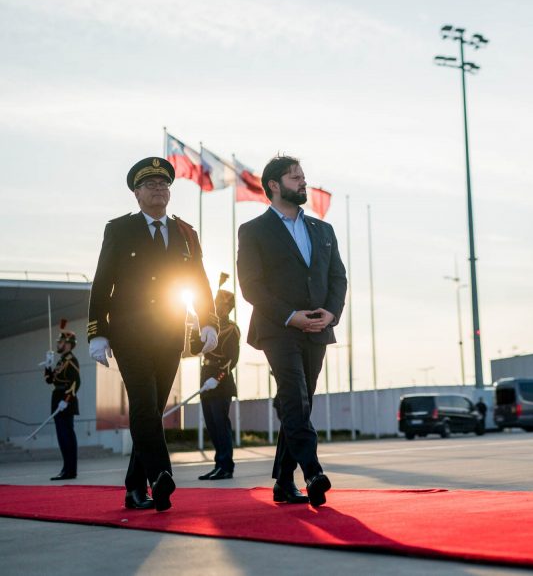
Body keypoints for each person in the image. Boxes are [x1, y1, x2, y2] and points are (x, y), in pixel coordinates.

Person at [88, 157, 218, 510]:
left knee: (151, 411)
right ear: (136, 193)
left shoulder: (185, 233)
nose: (159, 189)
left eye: (164, 184)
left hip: (170, 332)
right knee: (144, 406)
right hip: (130, 334)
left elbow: (199, 283)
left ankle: (134, 489)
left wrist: (208, 320)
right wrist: (96, 332)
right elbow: (102, 284)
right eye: (151, 185)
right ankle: (161, 474)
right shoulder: (119, 230)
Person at [237, 155, 347, 507]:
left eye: (303, 176)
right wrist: (290, 316)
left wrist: (330, 313)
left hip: (318, 327)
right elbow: (251, 286)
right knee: (294, 395)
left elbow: (337, 278)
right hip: (277, 328)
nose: (303, 182)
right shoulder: (253, 231)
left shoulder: (323, 230)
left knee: (299, 402)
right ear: (274, 185)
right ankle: (313, 471)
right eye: (295, 177)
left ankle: (284, 483)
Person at [197, 287, 241, 481]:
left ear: (228, 308)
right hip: (206, 379)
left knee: (221, 424)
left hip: (219, 382)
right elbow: (195, 348)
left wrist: (218, 378)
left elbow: (232, 359)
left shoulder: (232, 329)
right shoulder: (207, 326)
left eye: (221, 305)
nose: (217, 308)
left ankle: (226, 465)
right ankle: (219, 465)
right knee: (212, 426)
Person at [43, 323, 81, 480]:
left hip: (66, 401)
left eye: (60, 342)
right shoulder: (60, 361)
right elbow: (50, 380)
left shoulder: (72, 360)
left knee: (67, 436)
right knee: (62, 436)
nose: (58, 344)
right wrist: (48, 365)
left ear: (68, 344)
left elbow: (75, 382)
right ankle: (67, 468)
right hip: (57, 398)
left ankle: (70, 470)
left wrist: (66, 400)